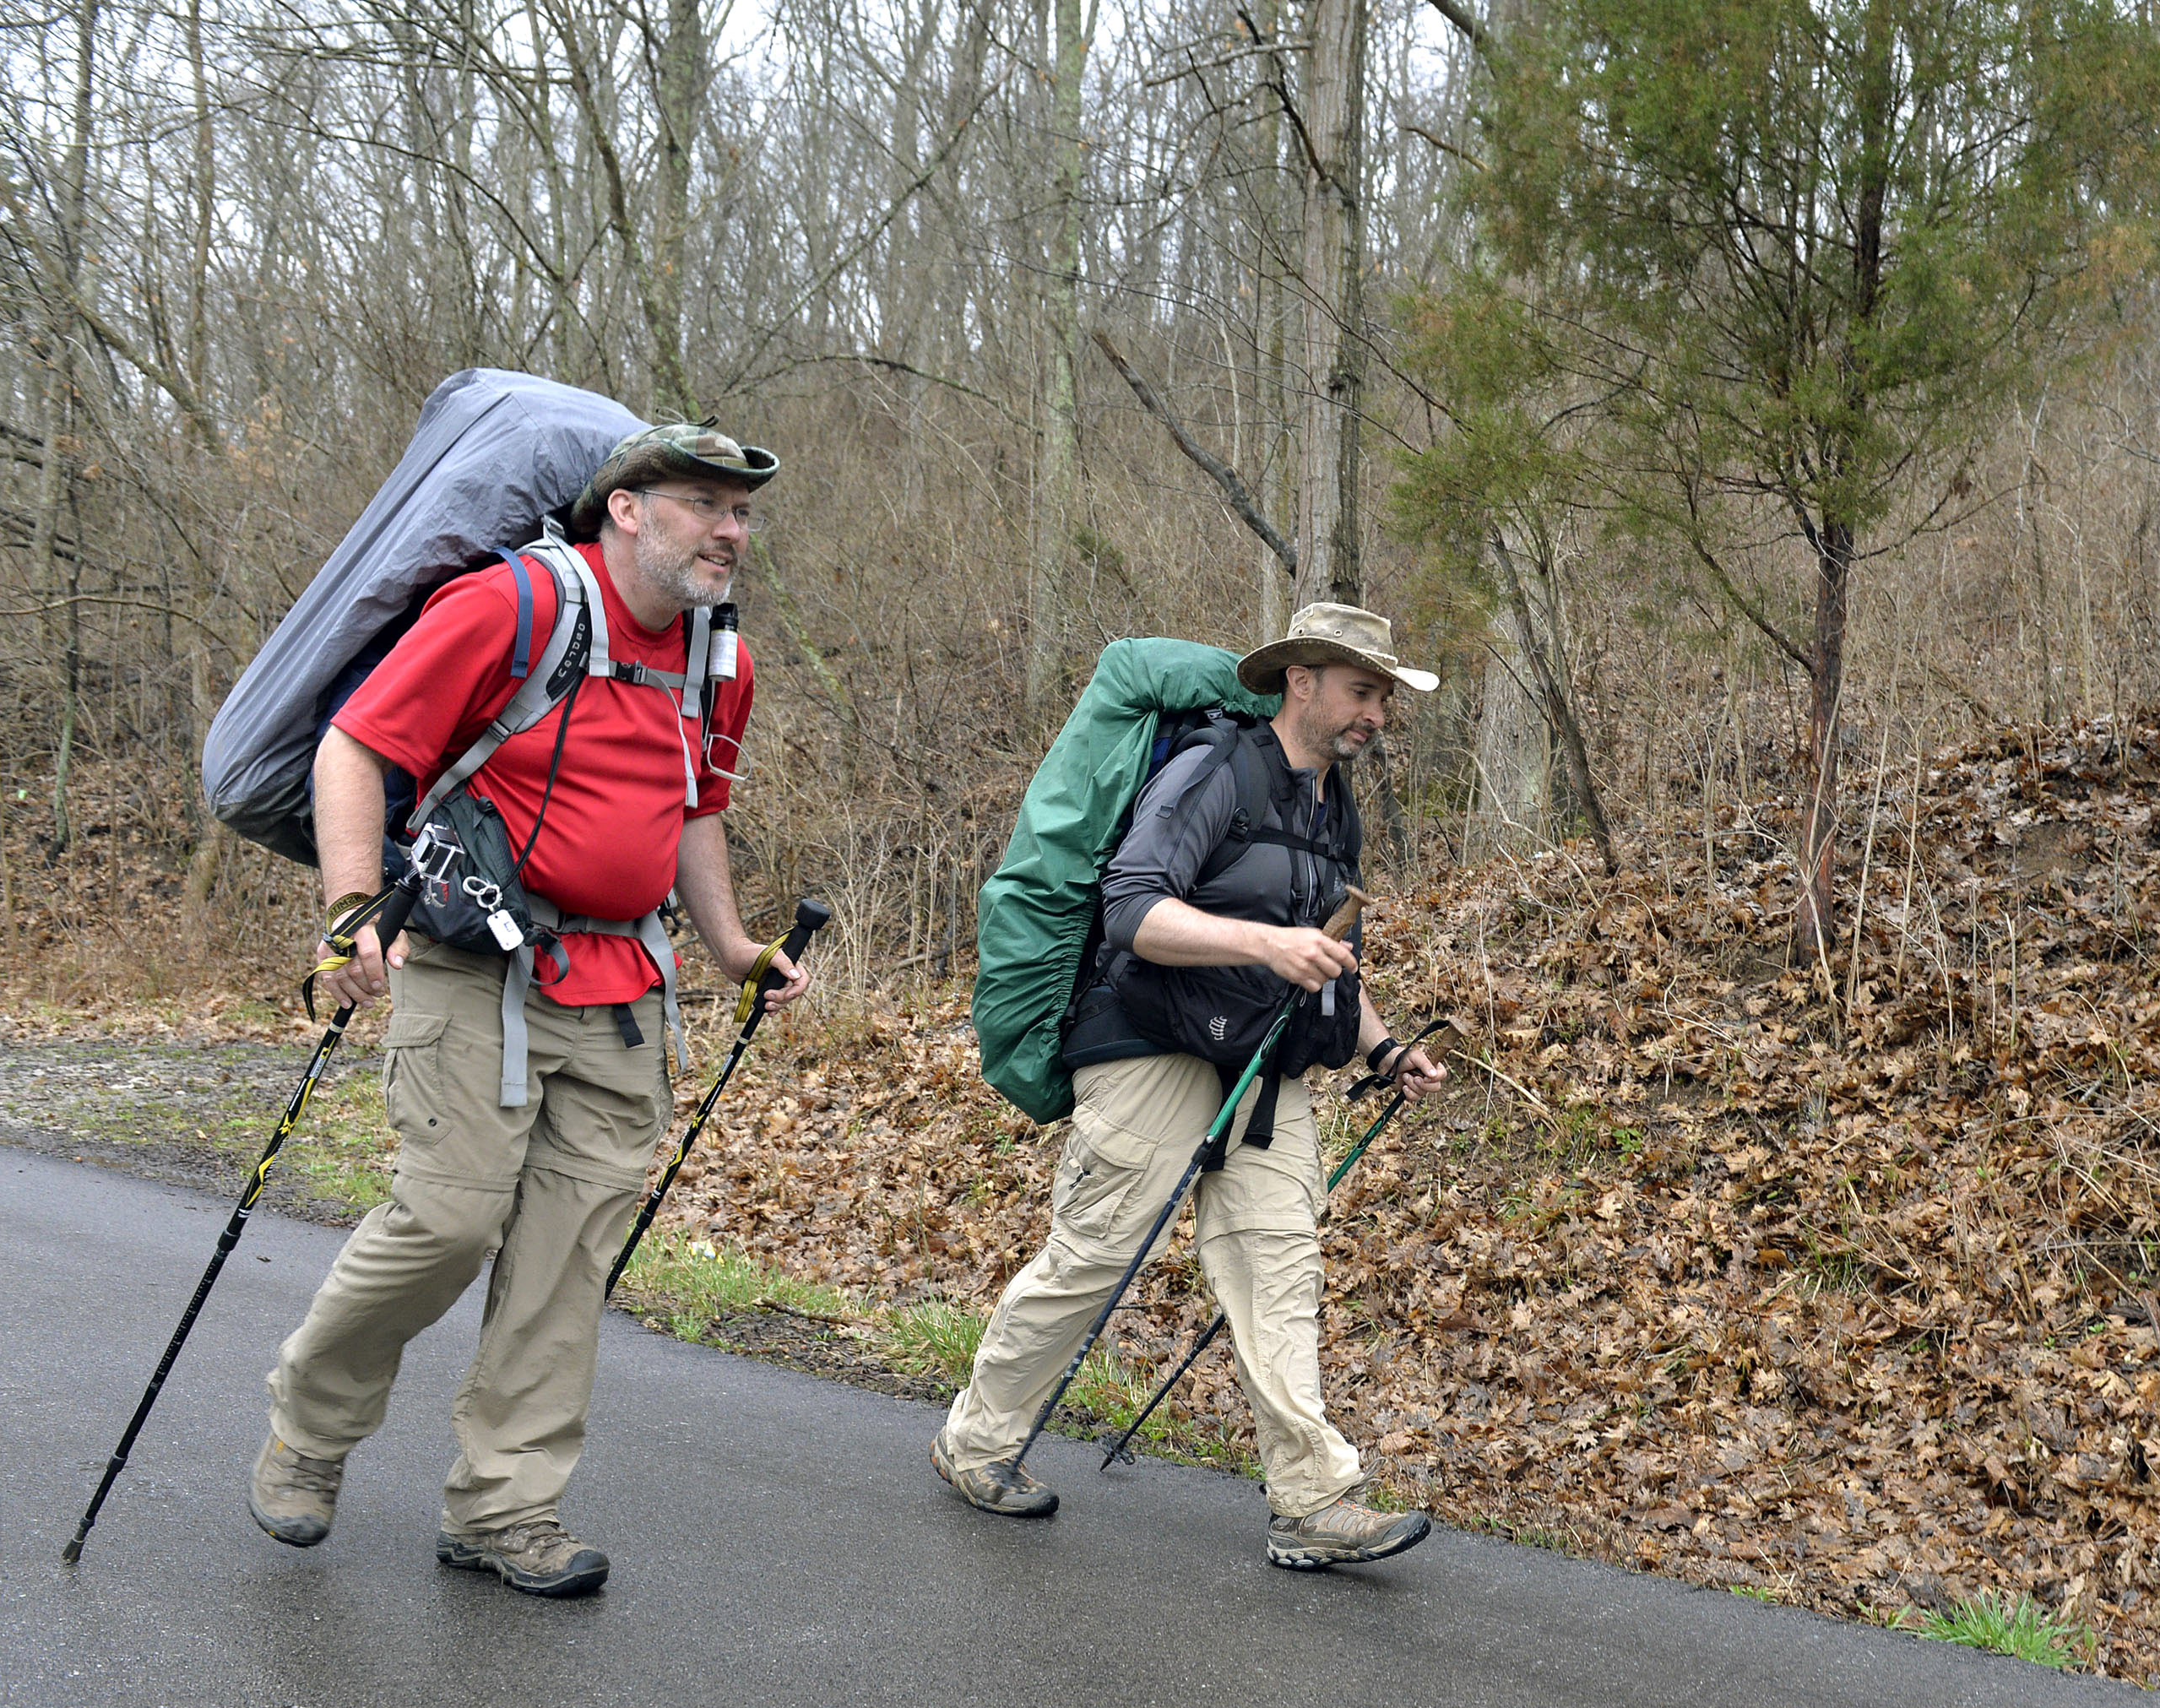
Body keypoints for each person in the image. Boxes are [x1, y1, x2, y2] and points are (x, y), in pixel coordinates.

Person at [247, 423, 810, 1599]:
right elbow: (355, 746)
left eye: (743, 512)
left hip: (623, 989)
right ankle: (310, 1427)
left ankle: (505, 1506)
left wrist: (730, 945)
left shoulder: (720, 659)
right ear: (626, 509)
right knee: (449, 1219)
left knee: (566, 1258)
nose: (731, 531)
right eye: (705, 503)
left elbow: (695, 807)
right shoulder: (512, 607)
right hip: (471, 967)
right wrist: (352, 905)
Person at [933, 603, 1451, 1569]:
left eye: (1383, 697)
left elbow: (1325, 953)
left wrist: (1383, 1049)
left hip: (1262, 1062)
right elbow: (1132, 908)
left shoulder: (1333, 805)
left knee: (1278, 1266)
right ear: (1301, 680)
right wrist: (1263, 943)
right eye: (1361, 691)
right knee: (1092, 1256)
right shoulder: (1214, 768)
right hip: (1148, 1042)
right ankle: (978, 1438)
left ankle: (1312, 1501)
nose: (1376, 714)